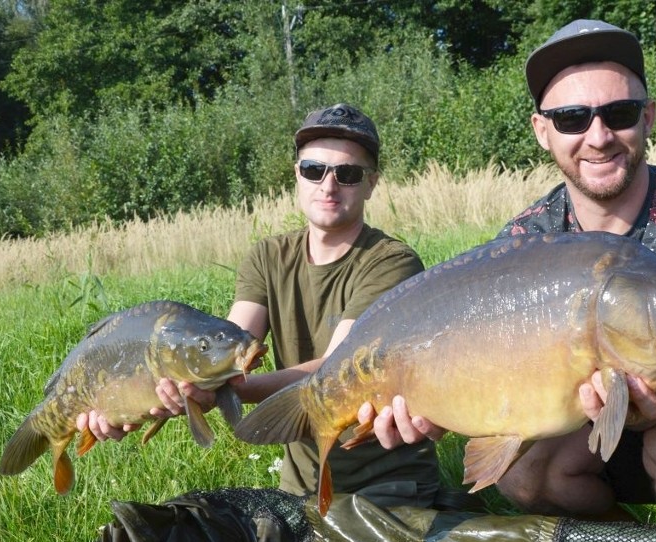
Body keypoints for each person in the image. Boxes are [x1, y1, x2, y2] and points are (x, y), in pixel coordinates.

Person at [361, 19, 656, 523]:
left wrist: (646, 398)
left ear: (649, 117)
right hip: (589, 412)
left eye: (619, 112)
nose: (598, 136)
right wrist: (438, 406)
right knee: (524, 473)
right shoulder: (523, 242)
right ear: (542, 131)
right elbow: (491, 371)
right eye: (572, 118)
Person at [78, 103, 440, 509]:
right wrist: (145, 397)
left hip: (390, 485)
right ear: (297, 176)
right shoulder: (267, 256)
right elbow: (230, 344)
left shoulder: (391, 260)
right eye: (313, 170)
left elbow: (336, 368)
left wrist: (221, 390)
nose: (328, 185)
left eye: (348, 174)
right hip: (302, 487)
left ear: (371, 184)